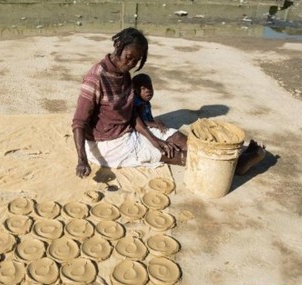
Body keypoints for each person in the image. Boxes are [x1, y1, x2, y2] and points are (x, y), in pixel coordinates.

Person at [72, 27, 265, 179]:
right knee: (173, 154)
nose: (130, 64)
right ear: (118, 46)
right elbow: (79, 123)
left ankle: (232, 157)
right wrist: (82, 160)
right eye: (128, 58)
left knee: (179, 139)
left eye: (136, 61)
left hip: (128, 130)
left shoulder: (123, 75)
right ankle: (235, 166)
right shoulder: (95, 79)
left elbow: (131, 114)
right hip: (108, 144)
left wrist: (155, 140)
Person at [132, 73, 188, 153]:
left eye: (150, 87)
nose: (148, 91)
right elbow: (138, 122)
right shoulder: (138, 104)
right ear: (136, 91)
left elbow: (149, 118)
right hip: (142, 131)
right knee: (174, 137)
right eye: (143, 88)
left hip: (147, 126)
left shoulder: (145, 102)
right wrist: (155, 124)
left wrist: (154, 123)